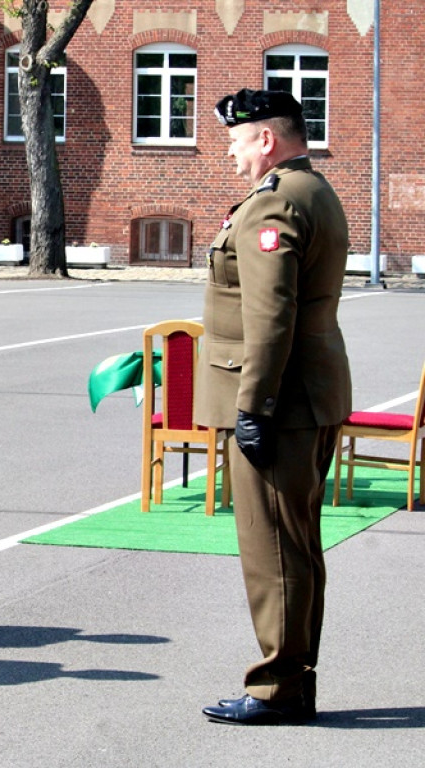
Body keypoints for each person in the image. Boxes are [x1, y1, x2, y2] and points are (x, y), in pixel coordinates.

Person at [196, 89, 351, 725]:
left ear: (267, 139)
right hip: (309, 395)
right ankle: (294, 678)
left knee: (275, 553)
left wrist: (254, 406)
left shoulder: (277, 200)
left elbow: (270, 313)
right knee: (298, 547)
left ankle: (278, 688)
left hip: (278, 402)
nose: (229, 153)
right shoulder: (313, 189)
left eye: (236, 140)